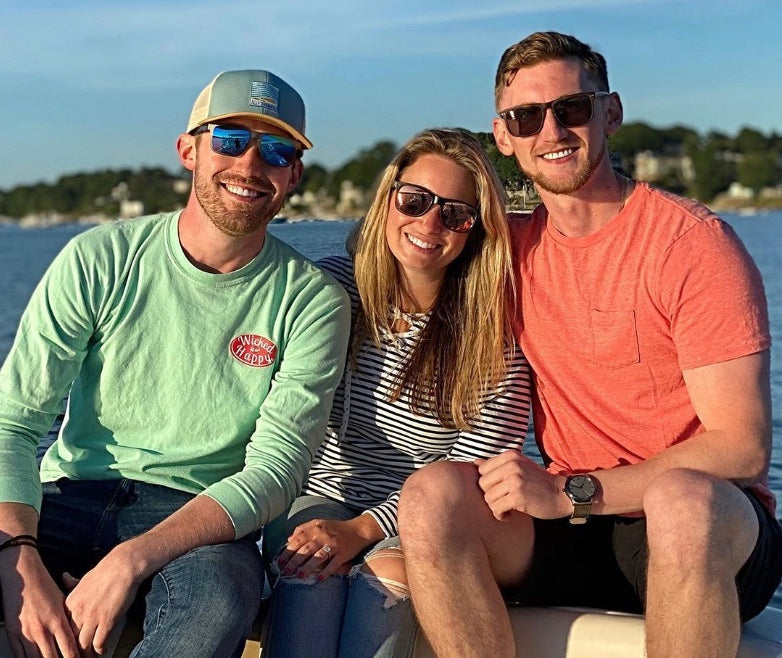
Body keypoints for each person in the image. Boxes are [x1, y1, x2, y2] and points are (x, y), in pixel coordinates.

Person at [398, 31, 782, 658]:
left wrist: (575, 491)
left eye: (571, 109)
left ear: (610, 113)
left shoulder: (691, 245)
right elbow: (405, 276)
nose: (551, 131)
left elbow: (741, 448)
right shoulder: (509, 250)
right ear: (504, 137)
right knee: (432, 497)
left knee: (680, 500)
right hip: (575, 528)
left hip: (706, 531)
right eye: (526, 117)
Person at [0, 69, 351, 658]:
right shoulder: (102, 257)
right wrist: (17, 556)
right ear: (189, 149)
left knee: (219, 598)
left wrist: (130, 559)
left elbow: (276, 473)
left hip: (199, 519)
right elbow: (14, 420)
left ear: (293, 172)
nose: (249, 165)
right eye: (231, 141)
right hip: (69, 491)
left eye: (275, 150)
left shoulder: (311, 301)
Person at [260, 128, 532, 658]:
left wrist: (364, 529)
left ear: (476, 230)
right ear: (389, 200)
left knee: (386, 576)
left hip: (423, 520)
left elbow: (472, 472)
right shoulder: (328, 292)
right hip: (321, 493)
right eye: (415, 201)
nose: (429, 223)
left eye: (455, 214)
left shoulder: (492, 335)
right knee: (308, 565)